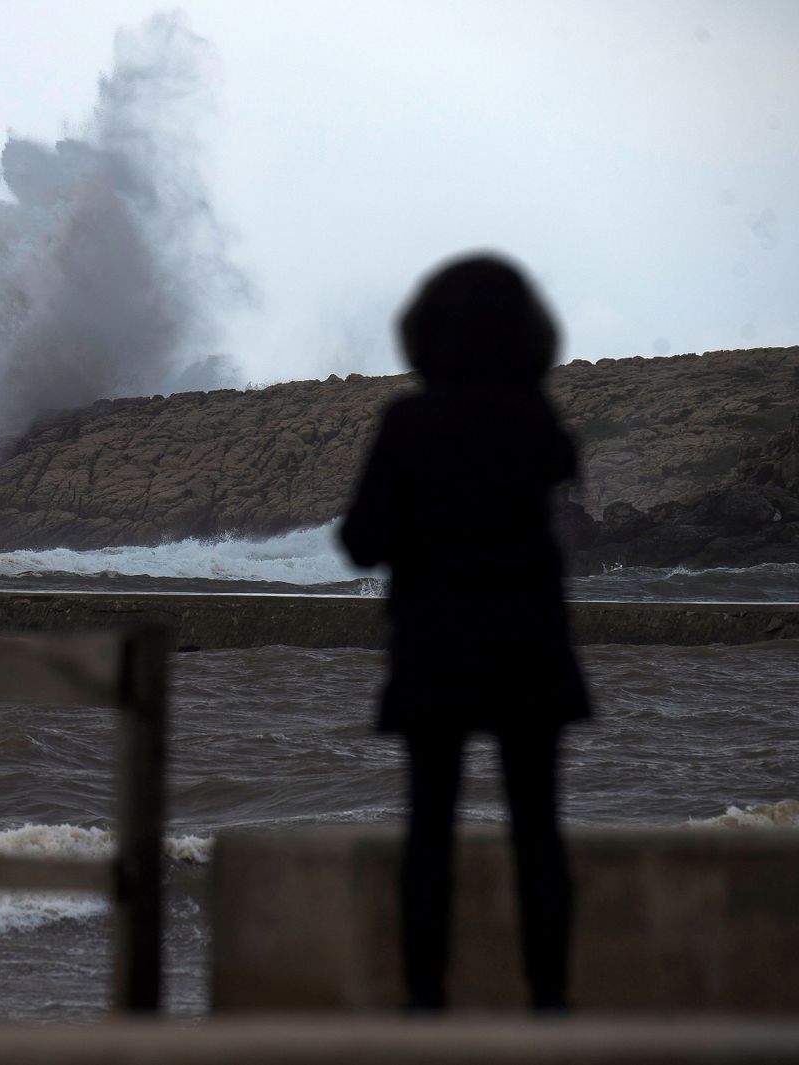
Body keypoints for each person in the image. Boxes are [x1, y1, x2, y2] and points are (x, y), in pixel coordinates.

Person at [339, 253, 589, 1012]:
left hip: (435, 649)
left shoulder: (409, 421)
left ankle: (426, 1004)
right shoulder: (534, 418)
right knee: (538, 832)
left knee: (429, 832)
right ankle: (550, 1004)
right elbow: (560, 468)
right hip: (529, 648)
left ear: (426, 332)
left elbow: (361, 541)